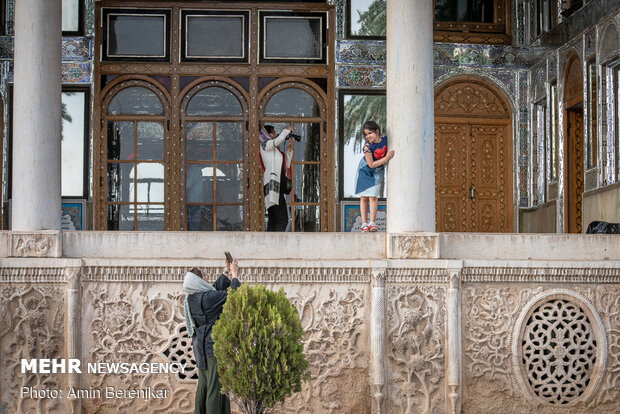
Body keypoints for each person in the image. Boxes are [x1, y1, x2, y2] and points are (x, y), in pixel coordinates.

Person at [183, 259, 241, 414]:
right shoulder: (208, 299)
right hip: (212, 346)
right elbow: (233, 295)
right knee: (215, 388)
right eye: (205, 277)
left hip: (200, 347)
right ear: (198, 281)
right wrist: (235, 275)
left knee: (204, 384)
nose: (207, 279)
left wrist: (226, 272)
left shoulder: (192, 298)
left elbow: (212, 290)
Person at [354, 120, 395, 232]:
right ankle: (364, 224)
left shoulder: (386, 139)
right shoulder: (367, 147)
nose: (368, 136)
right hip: (365, 170)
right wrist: (386, 158)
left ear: (377, 131)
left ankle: (372, 223)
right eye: (366, 134)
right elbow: (371, 164)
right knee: (363, 197)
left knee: (373, 196)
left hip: (378, 170)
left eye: (370, 133)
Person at [259, 125, 294, 231]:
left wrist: (289, 149)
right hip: (273, 187)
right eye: (273, 132)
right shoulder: (264, 145)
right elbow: (276, 141)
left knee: (274, 220)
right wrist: (286, 131)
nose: (275, 134)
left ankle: (269, 245)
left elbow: (286, 165)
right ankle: (277, 246)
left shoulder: (275, 151)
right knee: (283, 219)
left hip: (277, 188)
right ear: (266, 134)